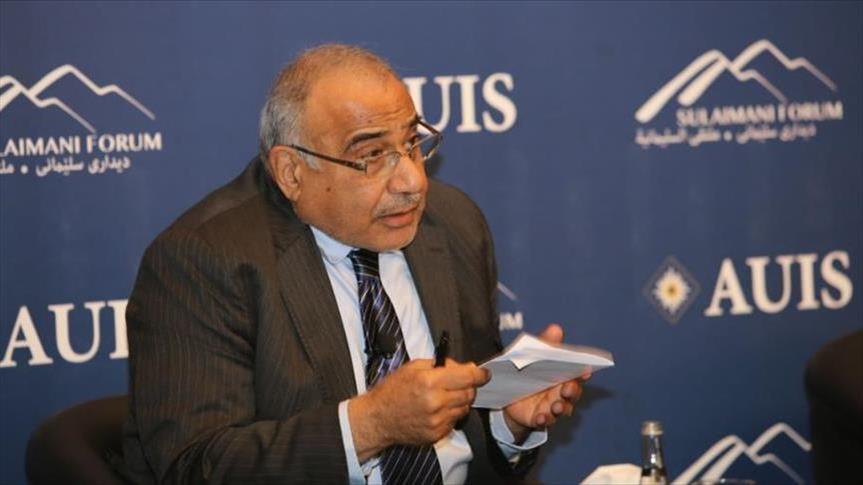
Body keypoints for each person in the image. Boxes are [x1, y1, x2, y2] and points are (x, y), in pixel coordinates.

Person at [121, 44, 587, 484]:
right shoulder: (204, 260)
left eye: (411, 143)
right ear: (291, 173)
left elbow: (468, 443)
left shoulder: (453, 223)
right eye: (372, 156)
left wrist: (507, 423)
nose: (412, 181)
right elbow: (196, 467)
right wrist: (370, 426)